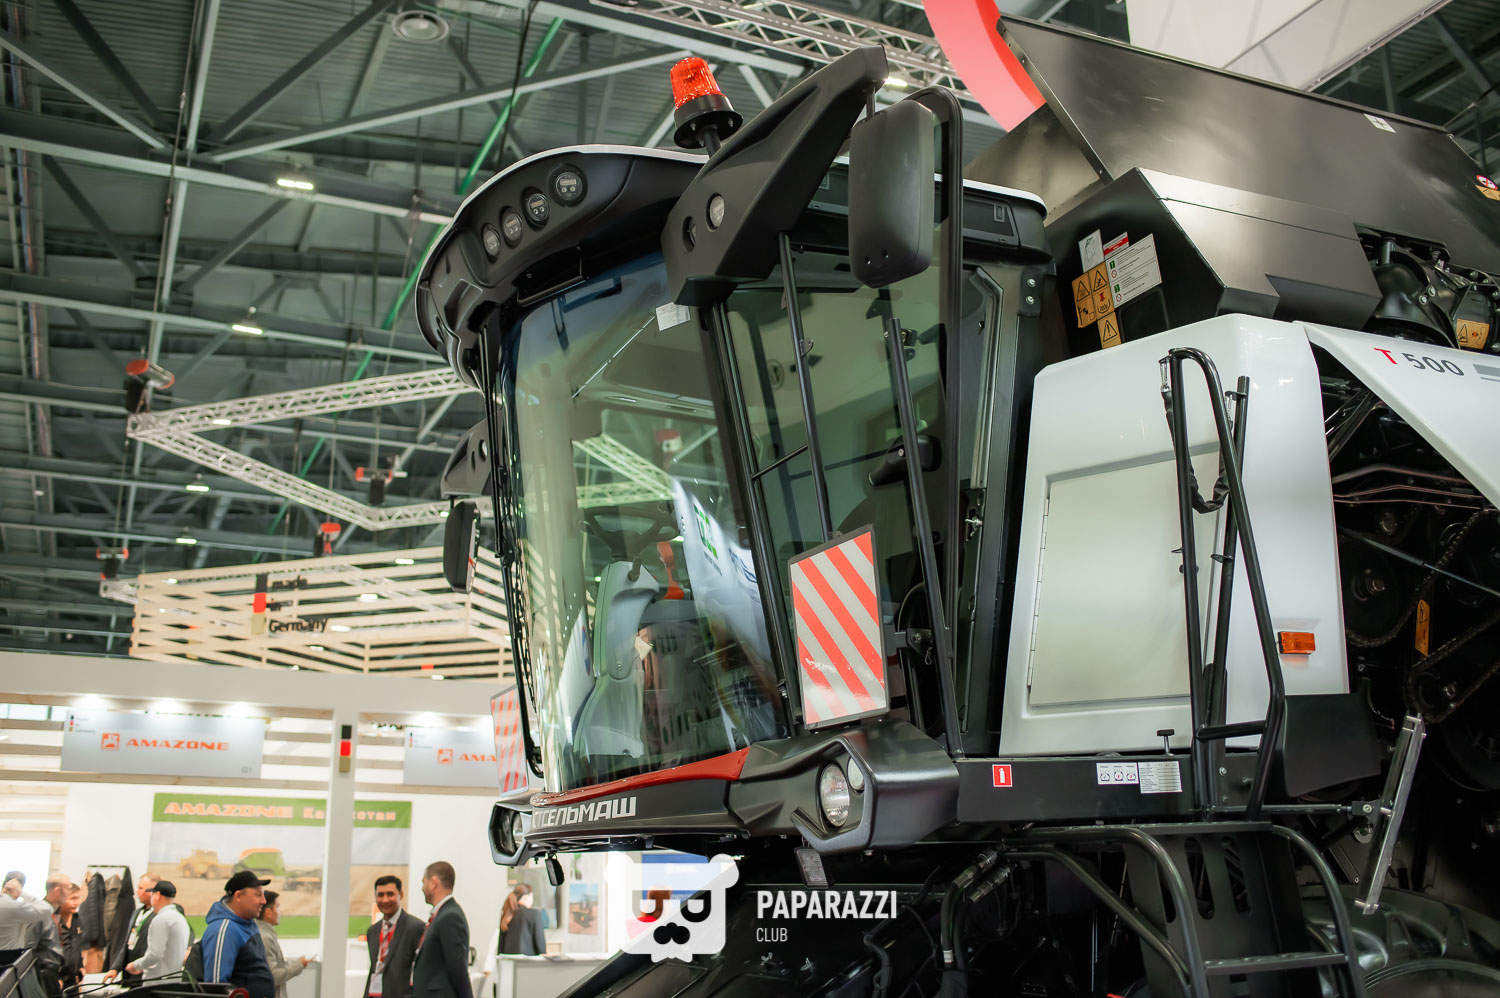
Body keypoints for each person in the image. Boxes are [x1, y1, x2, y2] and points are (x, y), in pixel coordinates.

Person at [198, 871, 275, 998]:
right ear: (238, 896)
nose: (263, 900)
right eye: (258, 895)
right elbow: (215, 987)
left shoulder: (248, 923)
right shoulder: (225, 930)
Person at [409, 862, 471, 998]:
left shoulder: (450, 916)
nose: (422, 888)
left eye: (423, 882)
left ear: (433, 882)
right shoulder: (442, 914)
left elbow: (457, 968)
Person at [363, 876, 421, 998]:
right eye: (380, 895)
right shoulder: (372, 931)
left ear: (401, 895)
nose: (385, 900)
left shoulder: (415, 928)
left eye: (390, 894)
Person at [126, 882, 189, 982]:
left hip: (157, 980)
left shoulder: (161, 919)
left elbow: (155, 954)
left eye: (152, 894)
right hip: (174, 979)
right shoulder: (180, 918)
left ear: (157, 895)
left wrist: (136, 965)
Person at [105, 874, 161, 985]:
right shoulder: (137, 913)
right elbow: (127, 943)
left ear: (152, 890)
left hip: (147, 974)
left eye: (141, 888)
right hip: (130, 972)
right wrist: (115, 968)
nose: (137, 892)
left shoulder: (160, 916)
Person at [253, 891, 308, 998]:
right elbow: (273, 977)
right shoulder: (266, 938)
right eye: (277, 907)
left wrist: (296, 963)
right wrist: (298, 965)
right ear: (268, 912)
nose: (280, 912)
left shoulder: (262, 933)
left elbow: (276, 967)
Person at [497, 886, 545, 957]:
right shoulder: (534, 914)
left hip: (508, 962)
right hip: (527, 962)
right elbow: (540, 945)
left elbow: (501, 946)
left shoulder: (508, 914)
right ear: (527, 897)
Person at [54, 884, 84, 992]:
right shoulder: (53, 921)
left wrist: (80, 966)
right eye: (72, 898)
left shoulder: (76, 918)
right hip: (57, 979)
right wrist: (55, 977)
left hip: (73, 978)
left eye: (78, 898)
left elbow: (77, 945)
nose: (76, 902)